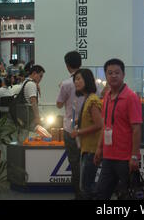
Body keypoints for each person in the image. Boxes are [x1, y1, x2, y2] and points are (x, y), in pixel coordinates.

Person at [94, 58, 142, 200]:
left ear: (123, 74)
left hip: (126, 159)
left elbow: (137, 129)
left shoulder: (131, 97)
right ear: (106, 76)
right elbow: (105, 125)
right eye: (110, 73)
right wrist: (99, 148)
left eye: (117, 72)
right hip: (108, 156)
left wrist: (134, 156)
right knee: (101, 194)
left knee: (128, 195)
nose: (113, 76)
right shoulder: (107, 96)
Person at [70, 69, 102, 199]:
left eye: (79, 79)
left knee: (86, 187)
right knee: (86, 185)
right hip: (87, 148)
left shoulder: (92, 99)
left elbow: (99, 124)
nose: (76, 82)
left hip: (91, 149)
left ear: (87, 80)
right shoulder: (87, 98)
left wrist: (79, 132)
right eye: (75, 79)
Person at [56, 51, 84, 200]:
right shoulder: (91, 80)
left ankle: (79, 194)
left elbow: (59, 104)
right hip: (88, 129)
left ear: (67, 65)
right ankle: (87, 191)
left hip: (70, 128)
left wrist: (61, 87)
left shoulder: (66, 83)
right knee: (87, 161)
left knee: (74, 163)